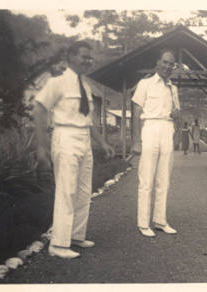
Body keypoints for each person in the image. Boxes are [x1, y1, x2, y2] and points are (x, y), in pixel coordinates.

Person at [33, 41, 115, 259]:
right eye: (84, 56)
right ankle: (58, 245)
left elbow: (89, 120)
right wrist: (41, 148)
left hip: (84, 139)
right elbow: (39, 109)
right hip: (65, 137)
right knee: (66, 190)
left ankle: (76, 236)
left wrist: (103, 143)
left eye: (90, 58)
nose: (88, 61)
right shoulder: (57, 83)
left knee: (83, 190)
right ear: (70, 57)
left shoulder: (85, 86)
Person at [131, 48, 180, 237]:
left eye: (171, 64)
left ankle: (160, 220)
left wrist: (176, 117)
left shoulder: (173, 88)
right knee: (146, 179)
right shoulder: (145, 84)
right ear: (157, 63)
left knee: (164, 179)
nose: (168, 67)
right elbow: (136, 113)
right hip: (149, 128)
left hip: (167, 130)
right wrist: (136, 141)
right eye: (165, 62)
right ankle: (143, 223)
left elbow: (177, 113)